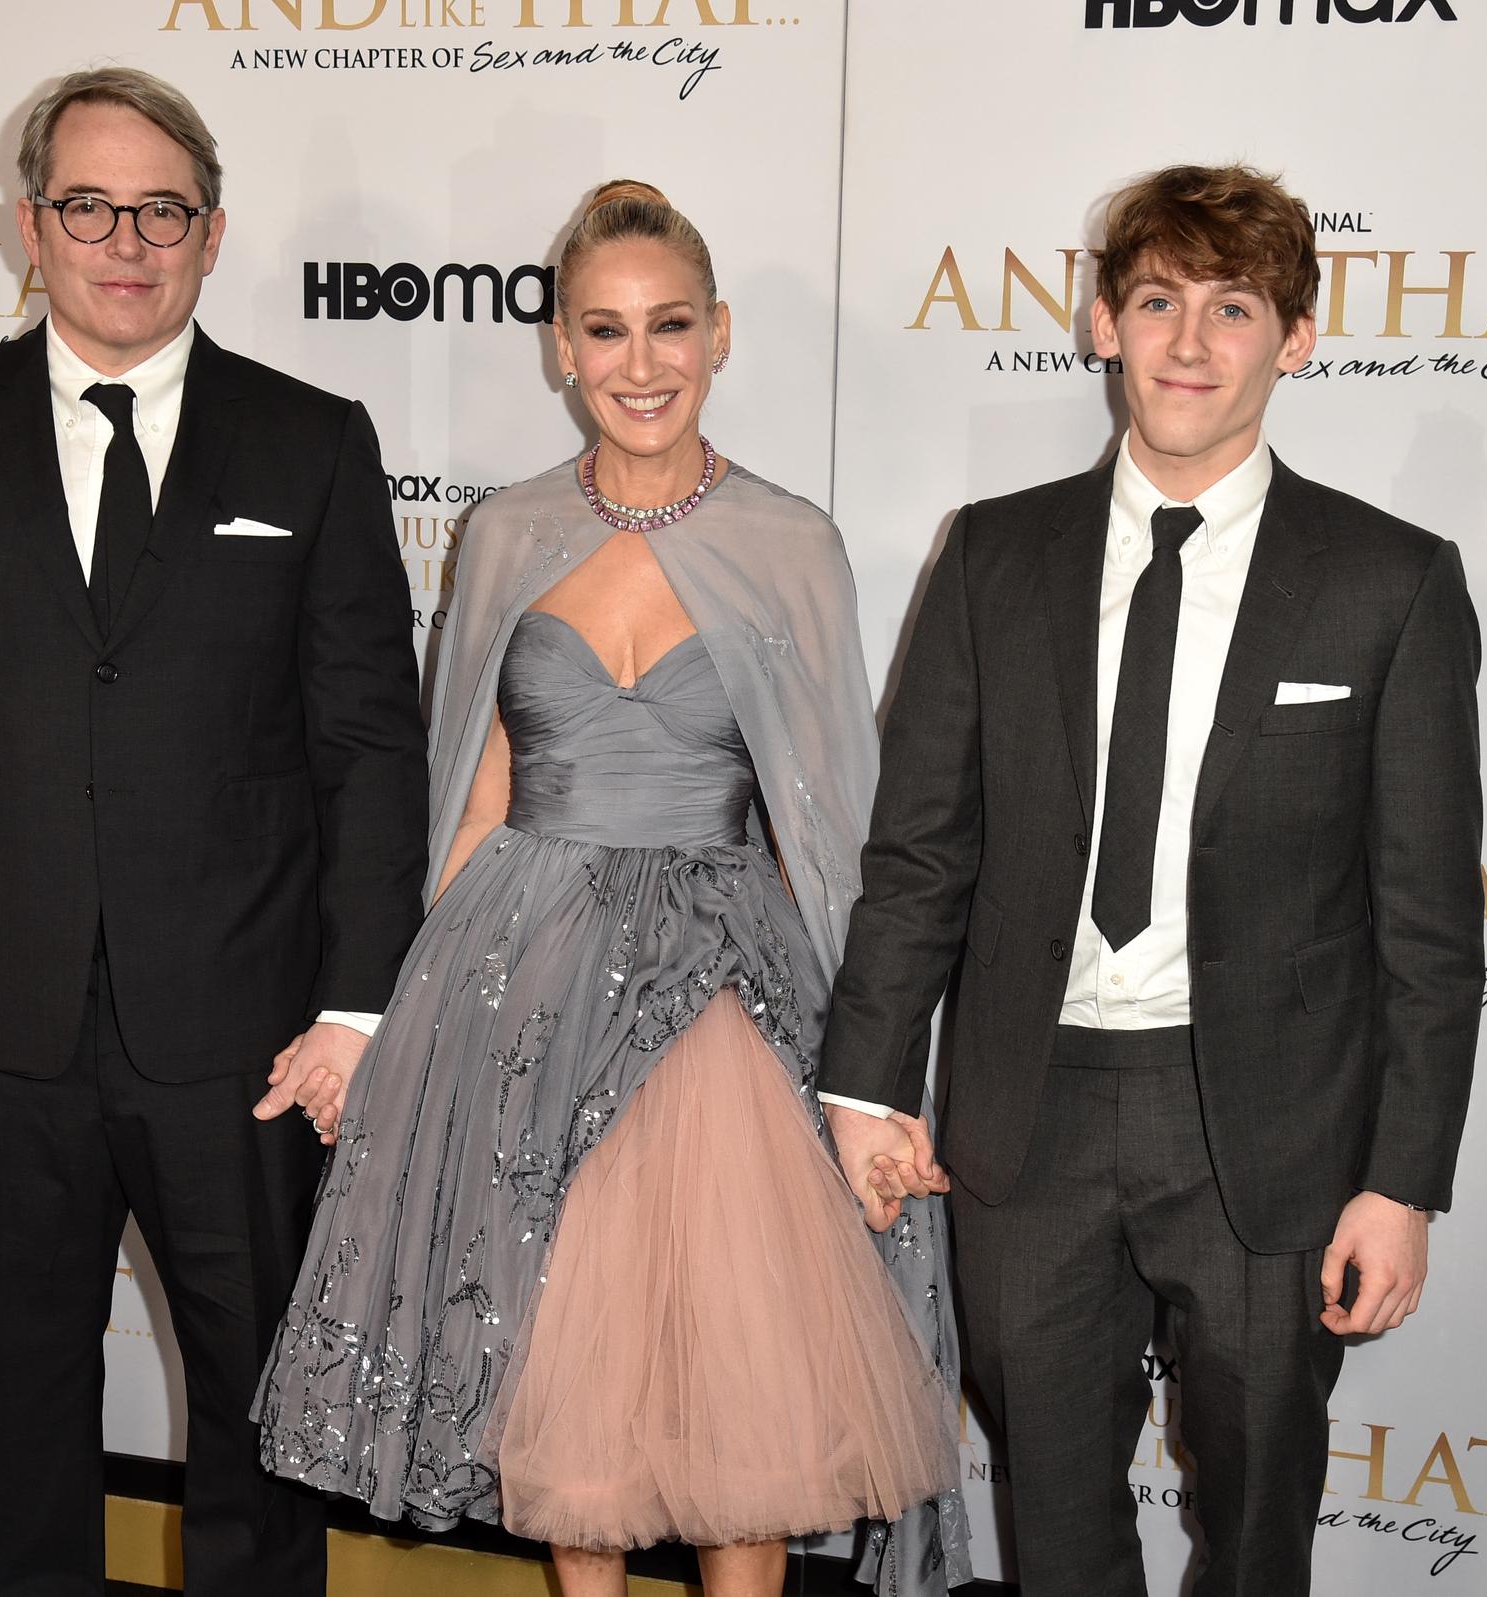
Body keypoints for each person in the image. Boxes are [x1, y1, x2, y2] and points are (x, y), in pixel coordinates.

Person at [253, 180, 969, 1597]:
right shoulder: (508, 532)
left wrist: (871, 1082)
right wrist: (381, 1025)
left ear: (718, 337)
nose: (640, 363)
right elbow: (471, 789)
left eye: (669, 327)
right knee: (555, 1375)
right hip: (515, 973)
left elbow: (832, 828)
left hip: (725, 989)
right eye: (606, 330)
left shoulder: (789, 541)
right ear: (560, 350)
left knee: (740, 1393)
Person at [0, 67, 426, 1597]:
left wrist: (356, 1005)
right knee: (12, 1425)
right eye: (89, 204)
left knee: (264, 1436)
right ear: (30, 226)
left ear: (213, 236)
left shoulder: (313, 440)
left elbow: (366, 747)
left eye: (163, 209)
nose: (124, 240)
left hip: (247, 1040)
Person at [818, 164, 1484, 1597]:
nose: (1189, 342)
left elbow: (1429, 920)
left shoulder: (1392, 582)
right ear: (1104, 321)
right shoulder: (995, 554)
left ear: (1296, 337)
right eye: (1158, 300)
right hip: (1026, 1117)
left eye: (1232, 306)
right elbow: (922, 851)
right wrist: (867, 1083)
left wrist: (1403, 1180)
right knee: (1054, 1528)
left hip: (1273, 1135)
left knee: (1254, 1535)